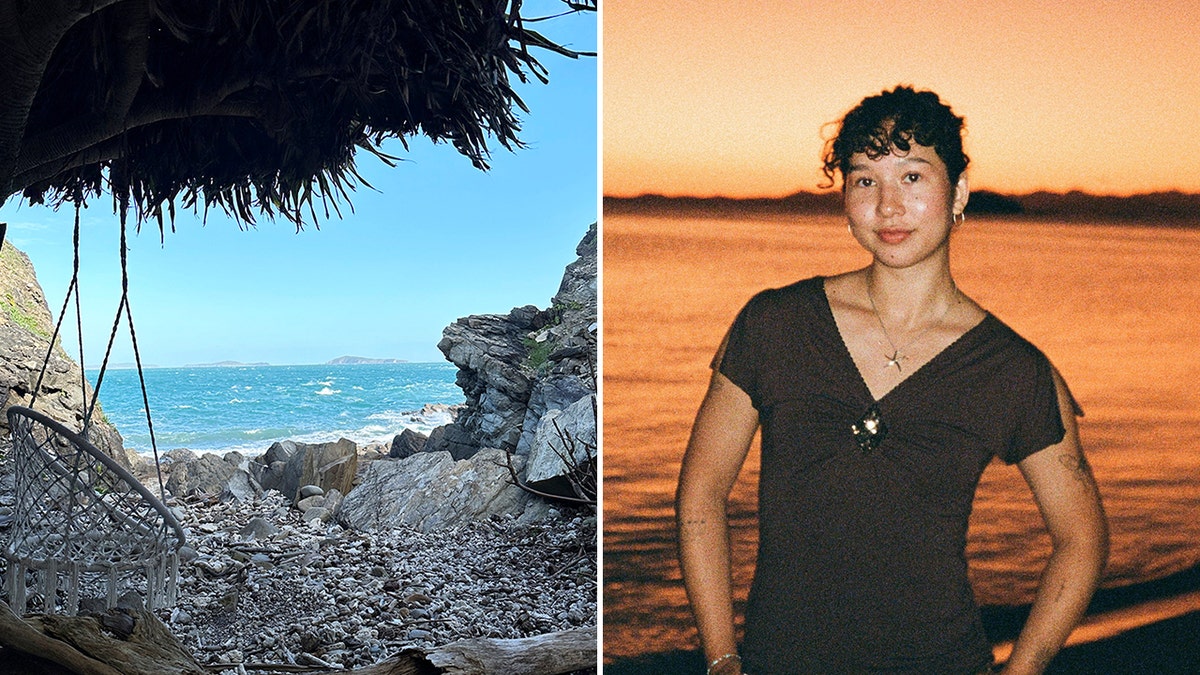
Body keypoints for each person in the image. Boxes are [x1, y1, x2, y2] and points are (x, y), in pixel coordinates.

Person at [675, 86, 1108, 675]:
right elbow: (702, 492)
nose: (887, 206)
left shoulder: (1012, 370)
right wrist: (722, 657)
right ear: (845, 197)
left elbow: (1081, 540)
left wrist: (1024, 667)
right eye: (864, 180)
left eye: (912, 177)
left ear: (957, 193)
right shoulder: (775, 323)